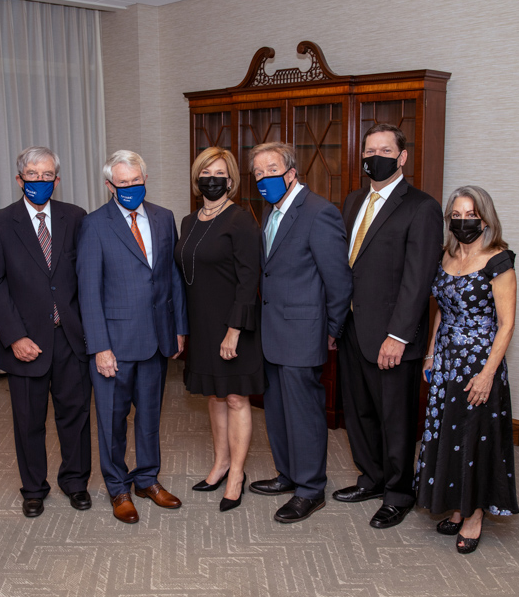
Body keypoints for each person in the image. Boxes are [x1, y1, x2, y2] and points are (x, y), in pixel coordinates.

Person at [335, 123, 444, 529]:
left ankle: (399, 492)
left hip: (391, 335)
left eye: (384, 149)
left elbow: (418, 280)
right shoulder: (352, 201)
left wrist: (398, 335)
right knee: (359, 411)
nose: (374, 156)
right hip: (351, 327)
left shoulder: (422, 206)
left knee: (394, 417)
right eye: (369, 150)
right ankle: (372, 477)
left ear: (402, 157)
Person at [76, 149, 188, 524]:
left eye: (135, 182)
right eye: (121, 183)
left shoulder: (162, 217)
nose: (129, 188)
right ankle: (118, 487)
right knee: (112, 419)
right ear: (109, 185)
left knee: (151, 416)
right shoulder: (94, 225)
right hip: (115, 345)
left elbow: (171, 278)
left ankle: (147, 479)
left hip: (156, 338)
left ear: (144, 180)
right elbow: (88, 290)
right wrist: (100, 347)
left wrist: (179, 328)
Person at [0, 146, 91, 518]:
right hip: (25, 341)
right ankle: (33, 488)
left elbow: (85, 278)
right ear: (19, 179)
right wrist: (13, 337)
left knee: (74, 417)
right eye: (32, 175)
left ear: (57, 180)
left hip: (70, 338)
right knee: (29, 421)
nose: (39, 181)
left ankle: (76, 483)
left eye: (47, 176)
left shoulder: (76, 218)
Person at [247, 143, 353, 523]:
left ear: (291, 172)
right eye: (257, 172)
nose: (263, 178)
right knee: (276, 410)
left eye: (270, 169)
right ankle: (288, 474)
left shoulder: (319, 212)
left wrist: (332, 330)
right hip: (273, 331)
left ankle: (310, 488)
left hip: (305, 332)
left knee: (305, 414)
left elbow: (338, 280)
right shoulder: (270, 212)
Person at [417, 185, 518, 554]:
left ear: (485, 218)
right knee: (449, 432)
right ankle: (459, 506)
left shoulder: (498, 260)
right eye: (456, 216)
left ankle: (475, 515)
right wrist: (430, 354)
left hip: (479, 361)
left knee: (475, 436)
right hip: (446, 360)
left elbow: (506, 324)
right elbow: (442, 308)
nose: (463, 222)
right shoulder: (445, 256)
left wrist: (488, 373)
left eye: (470, 215)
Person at [173, 147, 262, 512]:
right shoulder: (188, 221)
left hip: (233, 326)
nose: (213, 179)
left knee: (237, 398)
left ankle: (237, 474)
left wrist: (234, 330)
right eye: (206, 172)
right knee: (214, 396)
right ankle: (220, 463)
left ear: (231, 180)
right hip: (202, 325)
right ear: (197, 179)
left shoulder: (241, 220)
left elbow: (248, 280)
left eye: (220, 174)